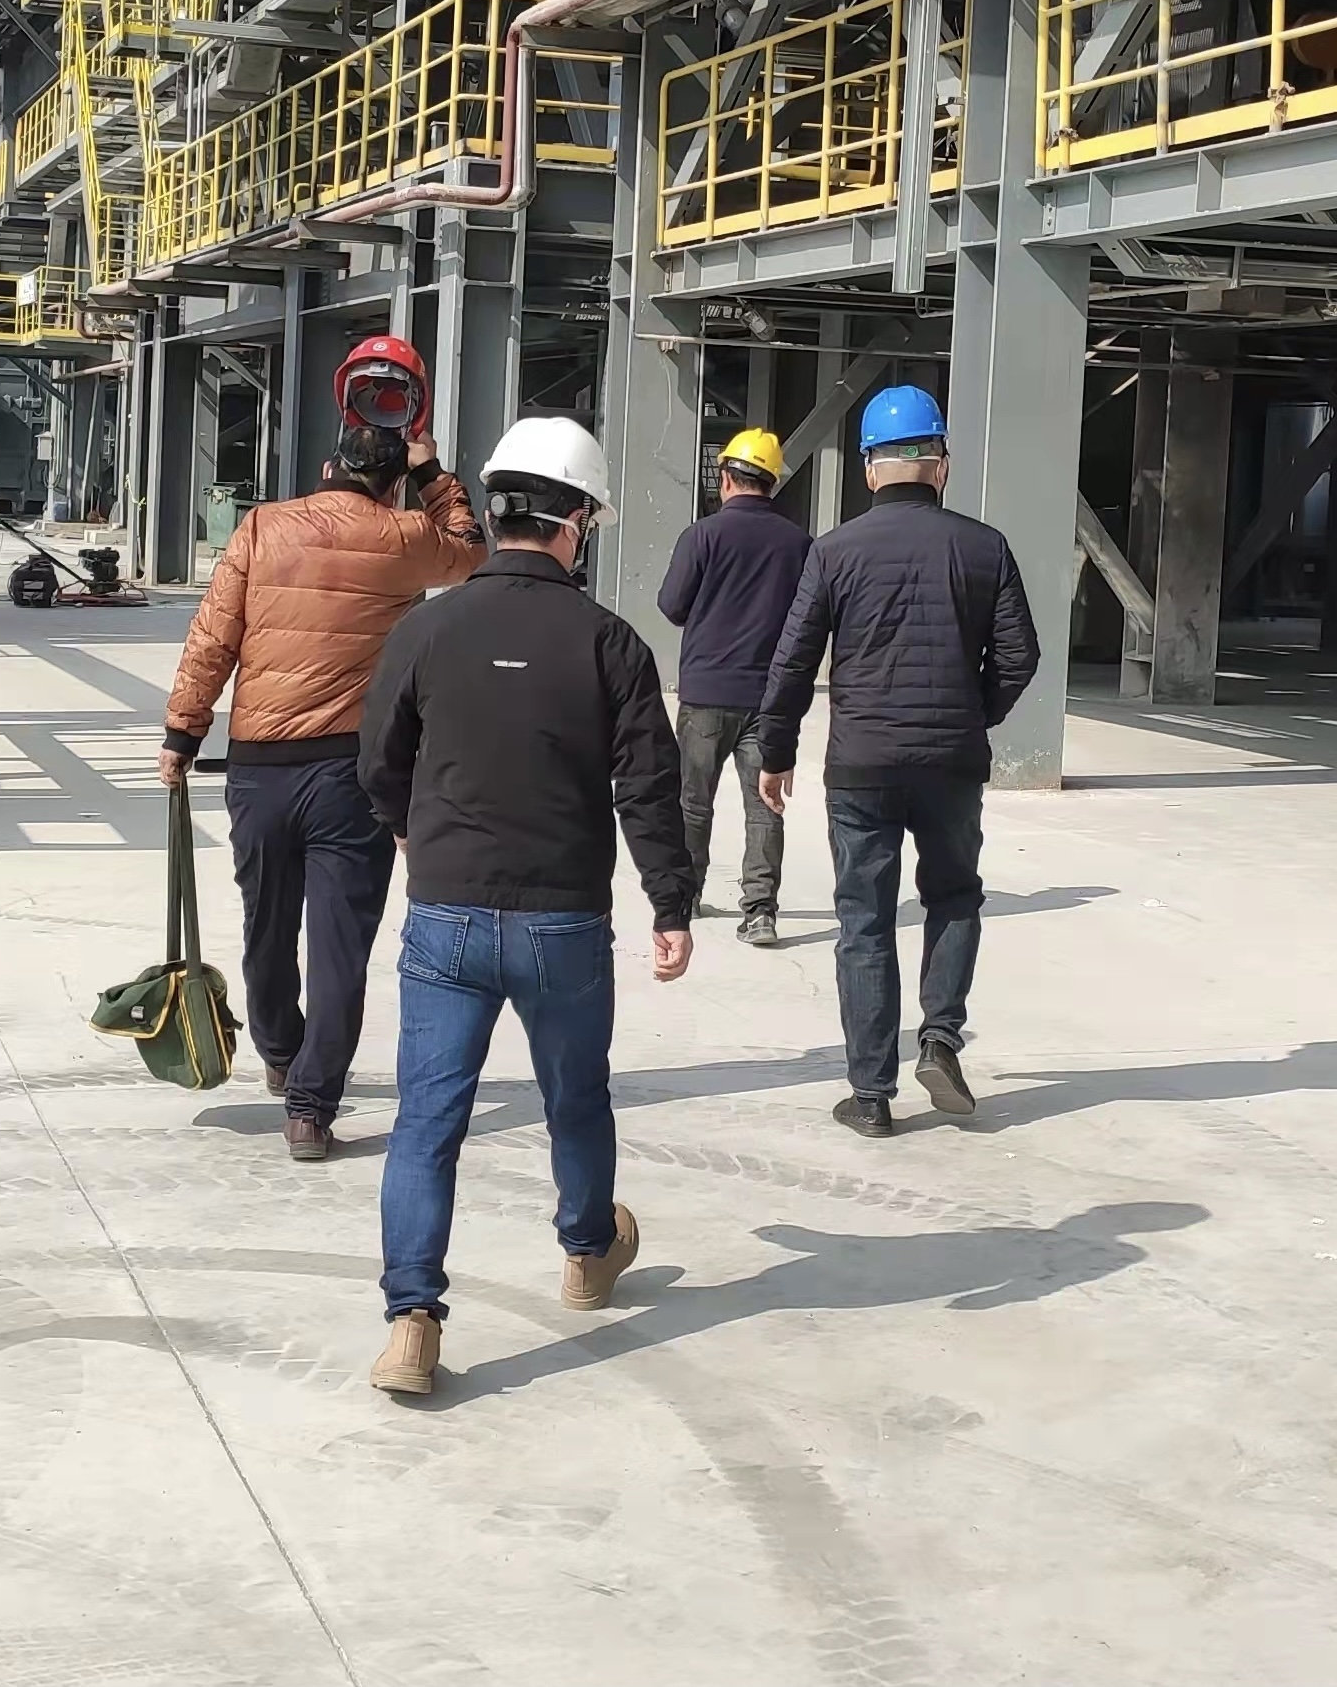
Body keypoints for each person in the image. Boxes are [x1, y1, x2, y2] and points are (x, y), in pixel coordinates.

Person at [357, 415, 698, 1397]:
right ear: (574, 521)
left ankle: (411, 1321)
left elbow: (377, 759)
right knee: (575, 1098)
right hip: (563, 921)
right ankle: (588, 1253)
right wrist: (670, 903)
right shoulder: (610, 643)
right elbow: (648, 787)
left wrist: (408, 828)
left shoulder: (426, 628)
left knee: (428, 1120)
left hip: (447, 914)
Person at [158, 350, 482, 1163]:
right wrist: (432, 471)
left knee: (266, 925)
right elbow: (470, 546)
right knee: (341, 947)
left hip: (259, 767)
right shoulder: (405, 537)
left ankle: (278, 1049)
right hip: (352, 777)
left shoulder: (262, 526)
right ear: (389, 481)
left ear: (329, 465)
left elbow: (213, 637)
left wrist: (182, 733)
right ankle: (310, 1110)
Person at [756, 386, 1040, 1139]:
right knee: (954, 897)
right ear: (940, 464)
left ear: (869, 468)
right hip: (951, 763)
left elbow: (791, 664)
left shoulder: (833, 551)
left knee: (864, 921)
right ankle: (940, 1038)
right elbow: (1020, 656)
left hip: (862, 765)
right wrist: (971, 715)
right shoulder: (985, 547)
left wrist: (775, 753)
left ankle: (871, 1095)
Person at [656, 427, 812, 945]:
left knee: (692, 802)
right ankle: (761, 911)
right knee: (764, 804)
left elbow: (671, 605)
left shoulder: (701, 536)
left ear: (725, 477)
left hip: (705, 693)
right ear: (772, 482)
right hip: (768, 698)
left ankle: (686, 896)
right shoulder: (798, 544)